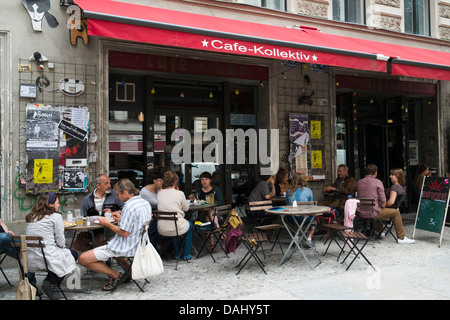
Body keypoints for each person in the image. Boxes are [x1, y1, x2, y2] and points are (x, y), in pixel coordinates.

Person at [79, 179, 152, 291]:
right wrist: (121, 219)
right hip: (140, 243)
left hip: (126, 246)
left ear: (125, 192)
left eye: (118, 194)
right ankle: (130, 271)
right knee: (104, 242)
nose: (117, 197)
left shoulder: (129, 206)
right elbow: (135, 224)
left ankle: (115, 275)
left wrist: (106, 223)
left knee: (83, 258)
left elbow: (124, 233)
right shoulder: (144, 202)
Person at [26, 193, 78, 300]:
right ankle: (50, 282)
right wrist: (60, 248)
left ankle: (50, 283)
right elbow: (60, 241)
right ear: (51, 205)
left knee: (61, 254)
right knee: (72, 254)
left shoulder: (31, 216)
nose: (59, 205)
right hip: (46, 259)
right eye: (57, 203)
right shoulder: (56, 216)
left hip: (29, 260)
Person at [356, 164, 415, 244]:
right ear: (375, 173)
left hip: (361, 212)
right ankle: (401, 237)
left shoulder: (359, 182)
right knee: (396, 213)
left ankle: (380, 231)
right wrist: (381, 204)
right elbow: (383, 203)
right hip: (373, 213)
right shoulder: (378, 182)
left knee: (376, 210)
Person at [74, 174, 124, 251]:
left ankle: (100, 258)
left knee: (99, 240)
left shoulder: (115, 195)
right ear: (98, 186)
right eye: (106, 183)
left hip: (111, 228)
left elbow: (125, 210)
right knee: (78, 243)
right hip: (93, 229)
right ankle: (95, 257)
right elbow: (82, 215)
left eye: (110, 183)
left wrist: (113, 212)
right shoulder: (88, 199)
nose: (109, 185)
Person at [157, 171, 193, 260]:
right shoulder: (180, 193)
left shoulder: (159, 193)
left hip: (162, 228)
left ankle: (177, 254)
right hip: (176, 226)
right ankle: (186, 254)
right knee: (190, 225)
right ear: (175, 181)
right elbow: (186, 208)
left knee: (174, 226)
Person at [188, 171, 224, 252]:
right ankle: (219, 230)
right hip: (200, 214)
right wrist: (193, 199)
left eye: (206, 179)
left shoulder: (215, 189)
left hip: (215, 214)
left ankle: (212, 244)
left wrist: (213, 202)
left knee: (208, 217)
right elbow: (196, 202)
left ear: (210, 180)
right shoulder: (199, 190)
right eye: (202, 179)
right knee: (208, 212)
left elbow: (221, 202)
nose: (204, 181)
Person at [286, 173, 316, 247]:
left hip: (292, 218)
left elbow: (287, 205)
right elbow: (311, 206)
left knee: (294, 217)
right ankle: (309, 238)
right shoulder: (308, 191)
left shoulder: (289, 191)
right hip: (305, 218)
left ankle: (296, 237)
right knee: (314, 217)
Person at [140, 171, 163, 245]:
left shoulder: (157, 190)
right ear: (154, 180)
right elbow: (158, 202)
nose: (162, 182)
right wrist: (160, 190)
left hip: (156, 215)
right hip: (147, 217)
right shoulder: (145, 191)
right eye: (160, 180)